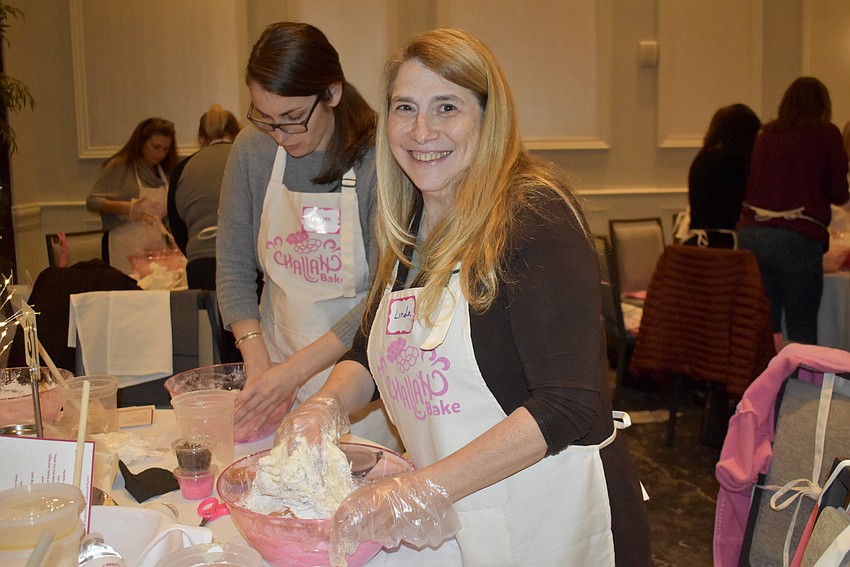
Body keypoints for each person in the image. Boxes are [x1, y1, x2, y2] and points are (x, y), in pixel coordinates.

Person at [274, 28, 652, 566]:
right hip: (459, 515)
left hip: (551, 520)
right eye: (405, 108)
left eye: (446, 107)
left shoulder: (533, 216)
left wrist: (421, 487)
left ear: (488, 117)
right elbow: (372, 352)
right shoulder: (412, 220)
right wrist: (325, 405)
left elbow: (566, 403)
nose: (421, 131)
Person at [217, 22, 400, 449]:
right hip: (272, 362)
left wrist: (295, 372)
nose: (280, 135)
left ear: (331, 94)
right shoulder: (253, 150)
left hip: (358, 379)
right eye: (266, 118)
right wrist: (259, 363)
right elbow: (232, 266)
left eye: (292, 119)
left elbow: (383, 294)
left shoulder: (378, 158)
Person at [738, 77, 849, 346]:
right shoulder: (826, 134)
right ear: (823, 105)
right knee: (801, 327)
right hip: (797, 238)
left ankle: (768, 372)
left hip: (754, 234)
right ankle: (802, 375)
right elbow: (838, 192)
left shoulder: (766, 135)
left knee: (767, 327)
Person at [87, 117, 178, 275]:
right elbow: (92, 201)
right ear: (141, 143)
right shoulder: (120, 167)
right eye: (156, 147)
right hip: (124, 247)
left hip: (156, 248)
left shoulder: (164, 173)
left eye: (165, 149)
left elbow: (166, 216)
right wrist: (124, 208)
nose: (161, 154)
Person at [167, 104, 241, 290]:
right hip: (244, 259)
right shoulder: (245, 159)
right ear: (237, 133)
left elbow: (177, 225)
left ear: (201, 138)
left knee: (206, 310)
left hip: (200, 261)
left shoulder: (183, 168)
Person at [684, 103, 761, 248]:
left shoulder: (703, 157)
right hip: (724, 244)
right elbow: (737, 209)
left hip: (701, 242)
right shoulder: (732, 162)